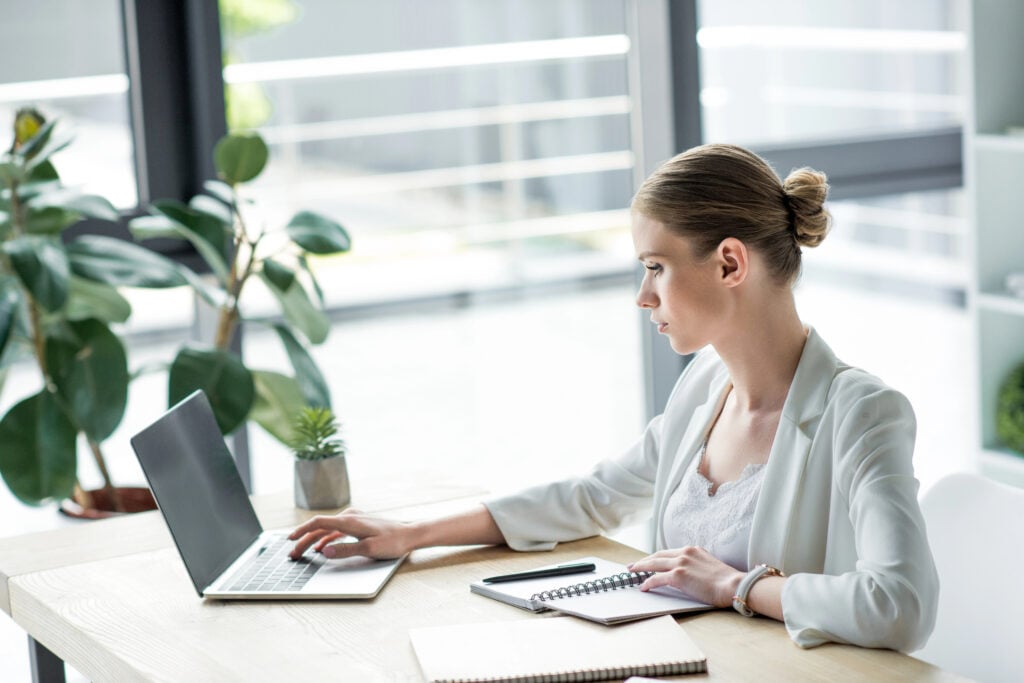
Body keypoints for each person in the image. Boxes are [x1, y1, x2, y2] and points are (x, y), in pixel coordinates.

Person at [289, 143, 938, 652]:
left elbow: (900, 605)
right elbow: (591, 495)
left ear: (731, 263)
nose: (643, 295)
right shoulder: (705, 389)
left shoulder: (861, 412)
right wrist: (413, 532)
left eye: (656, 266)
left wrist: (736, 586)